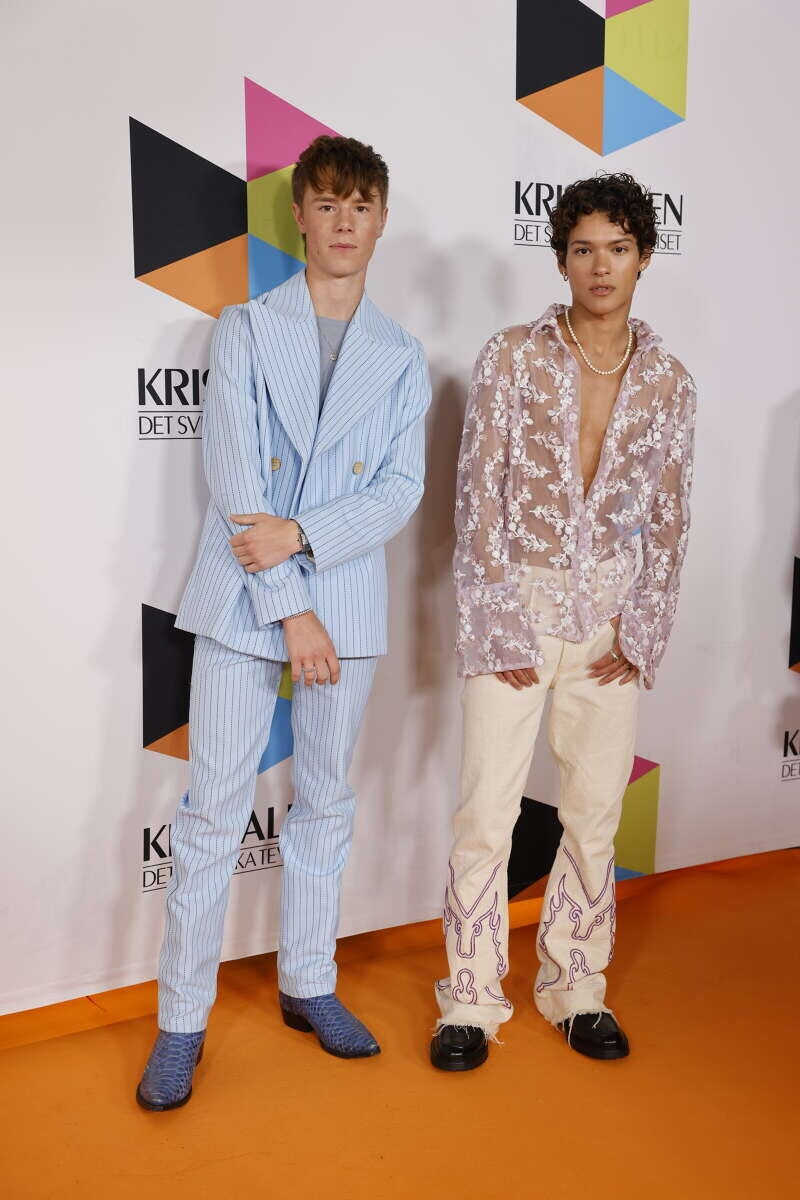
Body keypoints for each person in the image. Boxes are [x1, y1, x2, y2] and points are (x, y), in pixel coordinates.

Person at [136, 135, 431, 1110]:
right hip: (245, 598)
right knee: (213, 810)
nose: (344, 222)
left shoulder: (401, 357)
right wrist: (292, 607)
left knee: (326, 801)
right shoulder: (244, 328)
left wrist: (302, 535)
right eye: (328, 204)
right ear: (298, 215)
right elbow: (235, 478)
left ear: (380, 221)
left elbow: (397, 492)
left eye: (361, 206)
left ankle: (309, 981)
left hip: (344, 602)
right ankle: (182, 1022)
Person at [430, 173, 696, 1070]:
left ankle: (576, 988)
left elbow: (670, 515)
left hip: (608, 628)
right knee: (486, 812)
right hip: (514, 614)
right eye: (583, 249)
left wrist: (642, 630)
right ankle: (469, 1000)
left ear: (644, 257)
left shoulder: (670, 383)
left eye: (618, 248)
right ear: (561, 260)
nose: (600, 266)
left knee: (592, 816)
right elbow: (477, 497)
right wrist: (496, 621)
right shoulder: (511, 357)